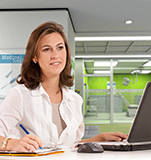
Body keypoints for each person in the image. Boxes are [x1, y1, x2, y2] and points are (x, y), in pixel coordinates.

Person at [0, 21, 127, 152]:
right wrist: (11, 144)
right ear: (34, 57)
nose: (55, 55)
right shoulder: (20, 95)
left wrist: (100, 139)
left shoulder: (75, 100)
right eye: (46, 49)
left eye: (60, 47)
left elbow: (69, 146)